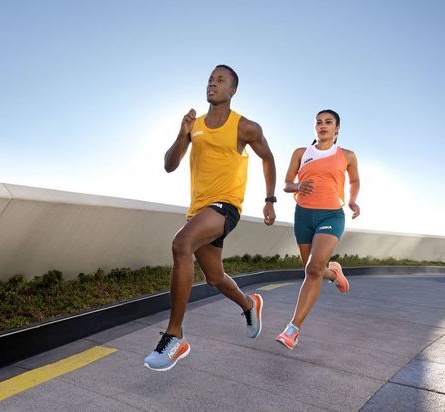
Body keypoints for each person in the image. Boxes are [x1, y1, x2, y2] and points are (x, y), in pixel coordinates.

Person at [143, 65, 277, 371]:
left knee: (181, 244)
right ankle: (249, 304)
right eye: (210, 80)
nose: (212, 84)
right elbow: (169, 165)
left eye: (220, 80)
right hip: (199, 209)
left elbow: (267, 158)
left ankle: (175, 337)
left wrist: (269, 200)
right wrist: (182, 134)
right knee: (215, 278)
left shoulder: (246, 127)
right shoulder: (195, 125)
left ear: (233, 90)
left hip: (226, 205)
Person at [275, 109, 360, 350]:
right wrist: (298, 186)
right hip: (303, 215)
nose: (323, 126)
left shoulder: (347, 155)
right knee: (313, 270)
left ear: (337, 129)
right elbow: (287, 184)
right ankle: (334, 273)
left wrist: (352, 200)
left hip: (331, 215)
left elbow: (354, 180)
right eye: (319, 122)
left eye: (328, 122)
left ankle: (292, 330)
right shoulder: (301, 153)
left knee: (313, 269)